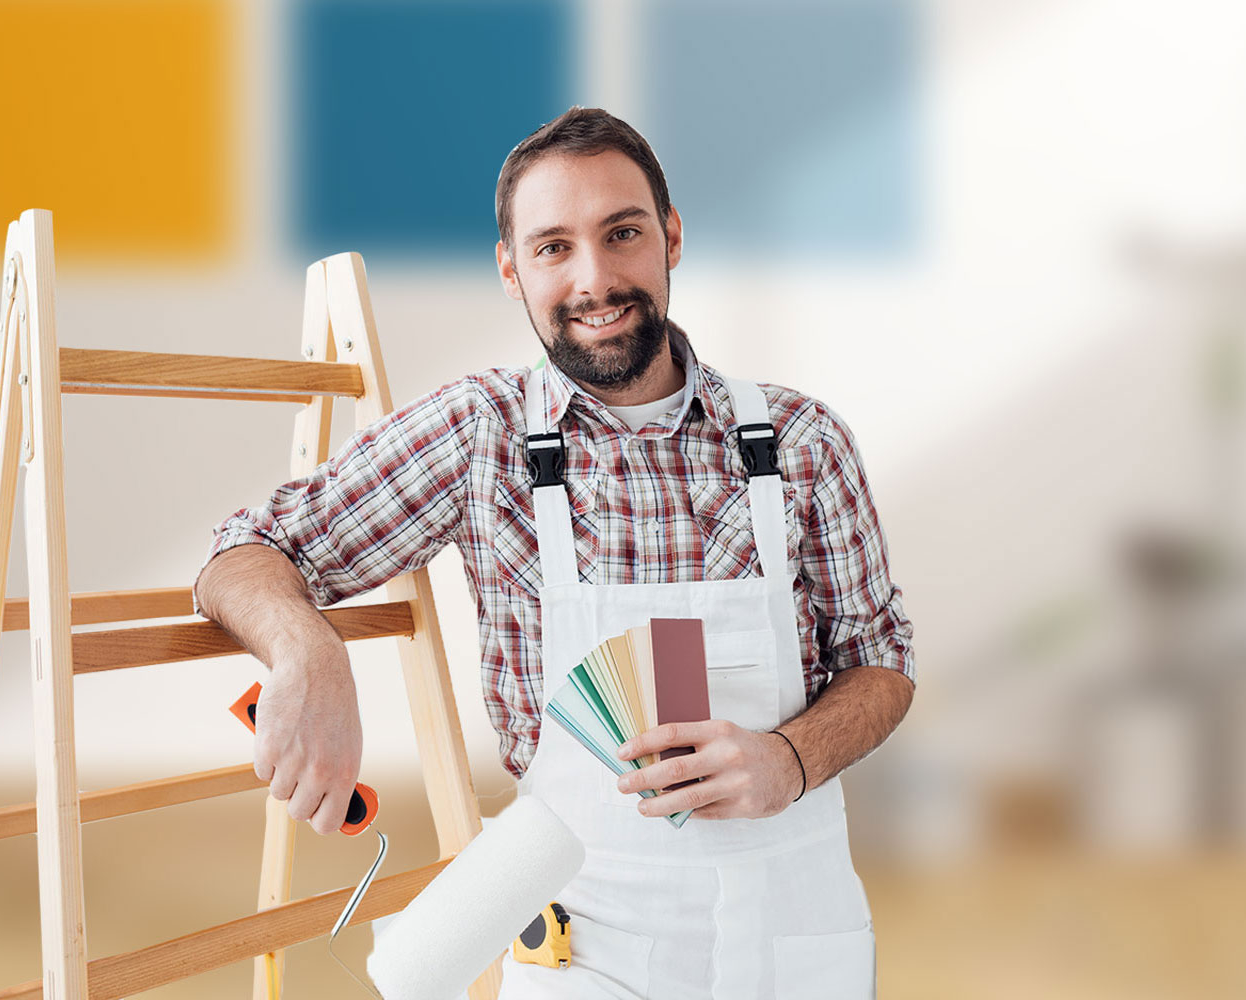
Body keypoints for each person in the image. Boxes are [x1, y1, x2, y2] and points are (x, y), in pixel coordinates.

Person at [192, 106, 915, 999]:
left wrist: (792, 759)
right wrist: (309, 648)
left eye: (622, 233)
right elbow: (247, 548)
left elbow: (879, 661)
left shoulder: (803, 441)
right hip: (588, 950)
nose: (595, 278)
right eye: (553, 248)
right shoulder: (480, 436)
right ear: (510, 269)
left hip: (794, 937)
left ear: (671, 236)